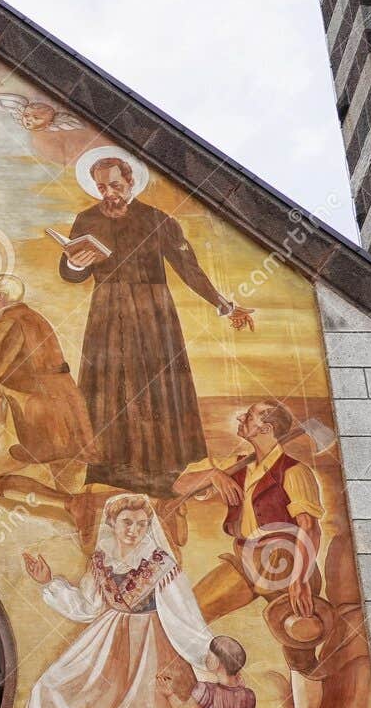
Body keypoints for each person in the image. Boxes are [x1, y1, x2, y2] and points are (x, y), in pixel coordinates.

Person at [17, 494, 216, 708]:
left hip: (154, 642)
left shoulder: (161, 565)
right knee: (60, 686)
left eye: (141, 524)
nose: (134, 530)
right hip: (108, 637)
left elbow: (184, 615)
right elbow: (86, 606)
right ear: (112, 524)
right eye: (127, 522)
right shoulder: (101, 562)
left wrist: (206, 655)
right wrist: (49, 581)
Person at [59, 152, 255, 496]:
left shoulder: (156, 219)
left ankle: (164, 468)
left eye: (115, 185)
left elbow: (188, 267)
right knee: (108, 387)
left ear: (131, 182)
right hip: (106, 316)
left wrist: (224, 305)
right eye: (102, 187)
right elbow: (70, 273)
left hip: (153, 317)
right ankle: (109, 467)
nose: (109, 194)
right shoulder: (86, 219)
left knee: (157, 386)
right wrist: (76, 263)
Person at [173, 399, 330, 708]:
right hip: (246, 559)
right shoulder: (243, 468)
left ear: (268, 427)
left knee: (300, 641)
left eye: (252, 416)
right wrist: (212, 476)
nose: (243, 418)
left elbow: (309, 527)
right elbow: (183, 487)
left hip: (287, 562)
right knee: (186, 616)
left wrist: (301, 578)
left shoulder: (294, 471)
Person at [0, 274, 93, 506]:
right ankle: (80, 506)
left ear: (0, 296)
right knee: (72, 485)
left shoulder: (9, 322)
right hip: (70, 411)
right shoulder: (33, 318)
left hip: (37, 415)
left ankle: (70, 505)